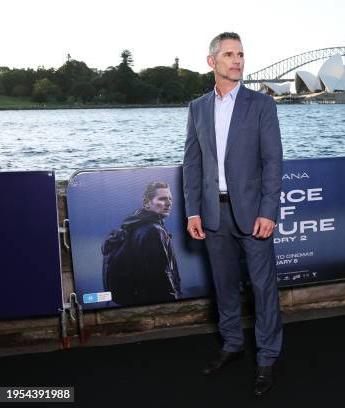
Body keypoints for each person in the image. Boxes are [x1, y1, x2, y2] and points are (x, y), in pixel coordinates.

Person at [182, 32, 283, 396]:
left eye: (240, 54)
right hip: (213, 213)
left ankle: (267, 359)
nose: (237, 61)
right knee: (224, 287)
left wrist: (269, 210)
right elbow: (192, 163)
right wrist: (193, 211)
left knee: (262, 288)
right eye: (228, 55)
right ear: (212, 62)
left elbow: (273, 161)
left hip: (254, 213)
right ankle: (232, 345)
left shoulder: (261, 105)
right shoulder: (197, 107)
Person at [102, 181, 181, 306]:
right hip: (154, 302)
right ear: (146, 203)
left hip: (132, 302)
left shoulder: (132, 227)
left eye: (170, 199)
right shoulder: (154, 231)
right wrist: (173, 303)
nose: (169, 203)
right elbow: (161, 275)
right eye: (162, 199)